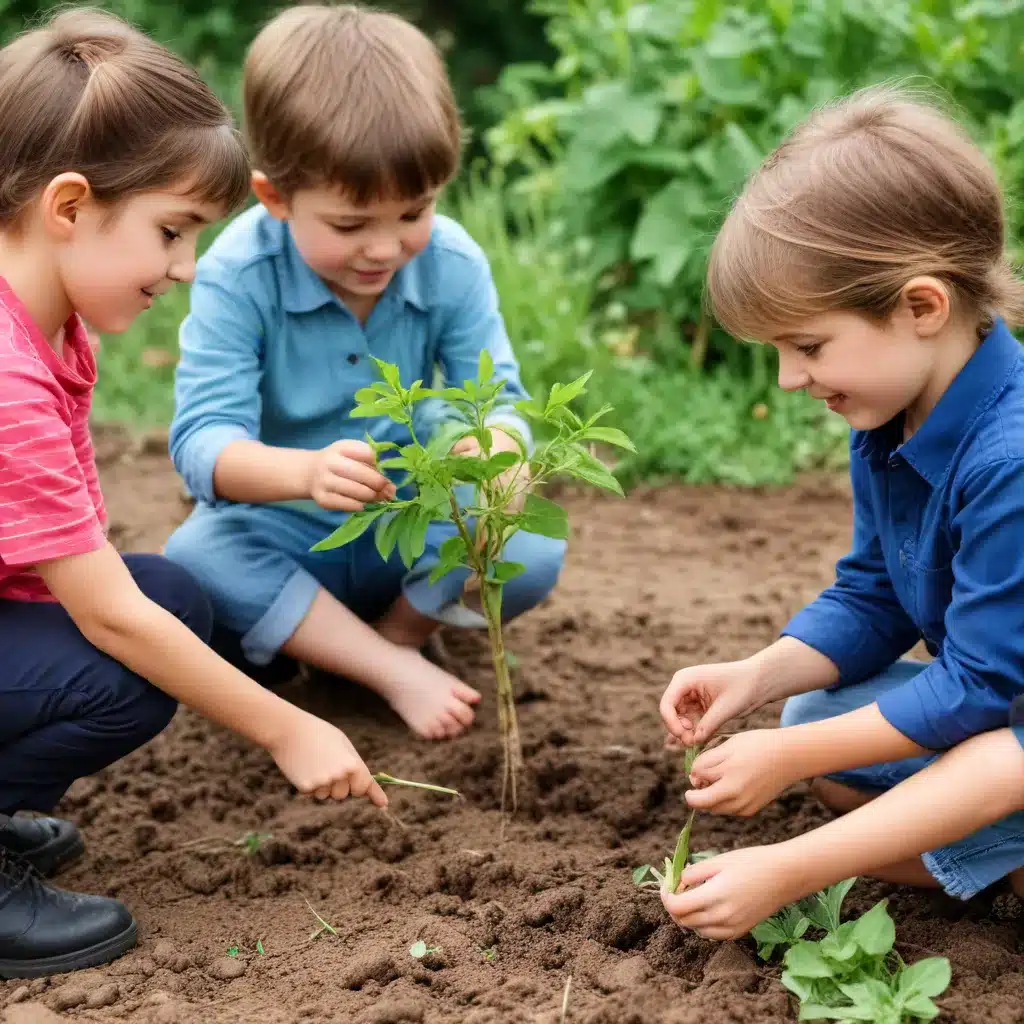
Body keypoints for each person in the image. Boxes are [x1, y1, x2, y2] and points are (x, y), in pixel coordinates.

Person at [0, 9, 388, 980]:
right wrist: (288, 725)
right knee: (126, 663)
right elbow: (111, 621)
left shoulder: (47, 328)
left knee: (175, 597)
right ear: (69, 206)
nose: (184, 267)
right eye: (170, 232)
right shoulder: (6, 377)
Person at [658, 85, 1024, 936]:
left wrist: (787, 849)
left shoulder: (1010, 462)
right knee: (818, 719)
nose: (791, 379)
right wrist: (759, 677)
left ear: (921, 307)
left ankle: (979, 860)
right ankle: (998, 863)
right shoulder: (890, 411)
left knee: (986, 760)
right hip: (995, 719)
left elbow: (982, 688)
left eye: (809, 347)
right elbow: (876, 595)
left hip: (1007, 736)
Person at [163, 4, 566, 741]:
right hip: (287, 534)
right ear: (274, 197)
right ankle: (388, 668)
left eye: (414, 211)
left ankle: (400, 633)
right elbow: (201, 446)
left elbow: (499, 399)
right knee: (194, 557)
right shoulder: (237, 274)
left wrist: (499, 448)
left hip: (409, 532)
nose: (385, 248)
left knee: (533, 546)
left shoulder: (452, 263)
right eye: (350, 225)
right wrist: (302, 475)